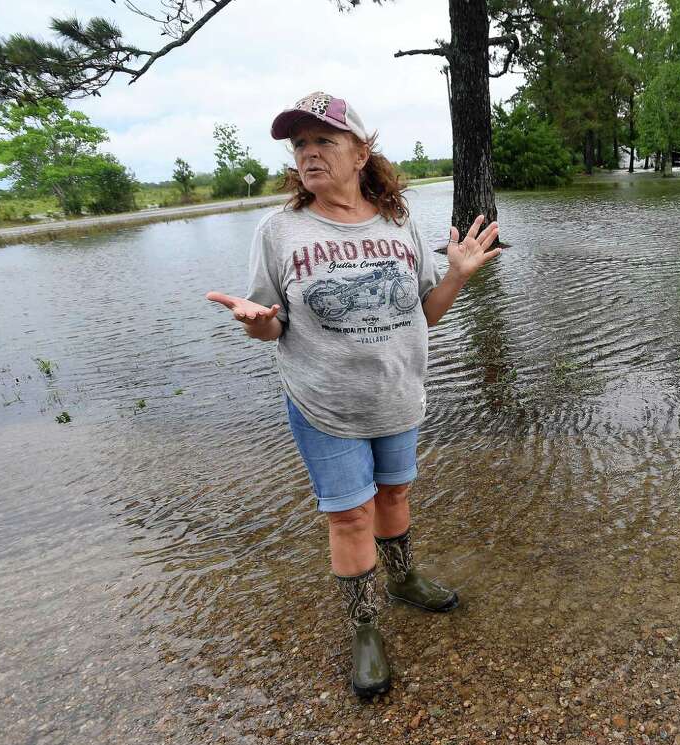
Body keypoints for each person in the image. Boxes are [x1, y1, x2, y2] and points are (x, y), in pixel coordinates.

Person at [205, 91, 501, 697]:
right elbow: (272, 322)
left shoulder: (400, 222)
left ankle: (402, 578)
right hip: (324, 402)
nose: (309, 155)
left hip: (396, 394)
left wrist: (455, 276)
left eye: (324, 142)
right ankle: (366, 628)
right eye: (300, 146)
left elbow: (426, 315)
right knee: (349, 514)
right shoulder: (280, 230)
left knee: (394, 495)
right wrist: (259, 322)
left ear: (362, 152)